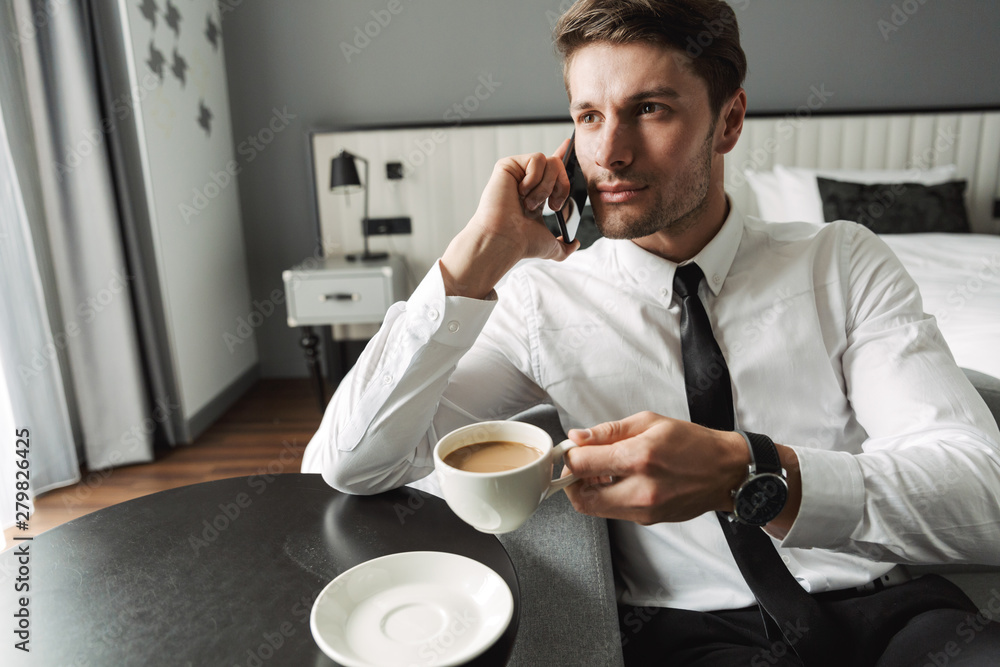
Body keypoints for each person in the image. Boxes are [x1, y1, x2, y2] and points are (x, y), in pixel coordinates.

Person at [302, 0, 1000, 663]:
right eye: (589, 115)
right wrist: (475, 255)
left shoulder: (843, 261)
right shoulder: (538, 300)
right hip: (693, 635)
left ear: (729, 121)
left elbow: (983, 494)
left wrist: (754, 471)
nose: (610, 152)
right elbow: (352, 461)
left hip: (898, 613)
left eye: (650, 109)